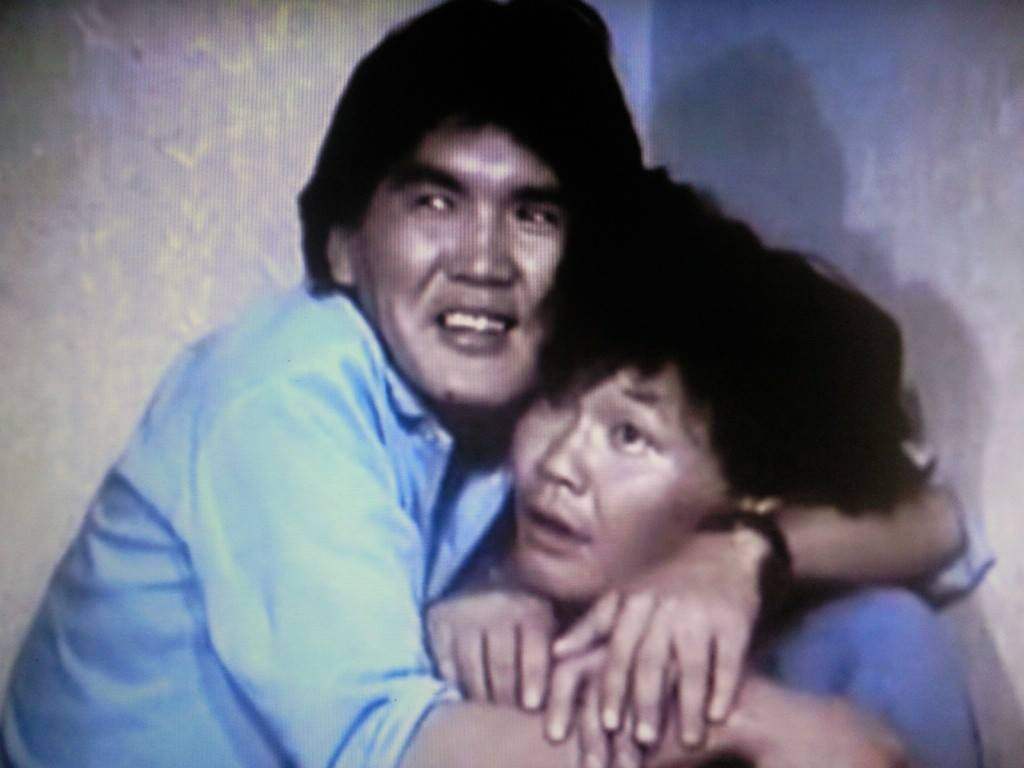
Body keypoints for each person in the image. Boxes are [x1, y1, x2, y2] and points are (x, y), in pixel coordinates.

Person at [0, 2, 984, 767]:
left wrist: (739, 556)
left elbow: (937, 522)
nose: (482, 261)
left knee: (881, 631)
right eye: (435, 200)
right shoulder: (289, 388)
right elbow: (382, 745)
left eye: (534, 214)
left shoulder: (513, 384)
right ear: (343, 244)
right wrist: (759, 726)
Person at [430, 175, 979, 767]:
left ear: (748, 491)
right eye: (555, 400)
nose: (558, 463)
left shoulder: (864, 645)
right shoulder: (462, 560)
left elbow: (943, 521)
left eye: (629, 436)